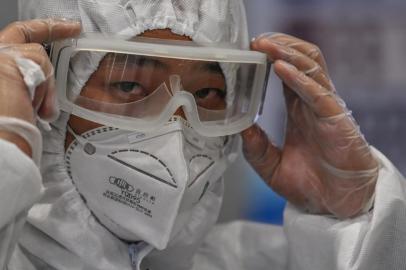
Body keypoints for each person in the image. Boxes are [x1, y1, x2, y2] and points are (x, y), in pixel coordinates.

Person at [0, 0, 404, 269]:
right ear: (42, 94)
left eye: (208, 93)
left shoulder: (264, 261)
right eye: (129, 86)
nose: (174, 132)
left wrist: (356, 219)